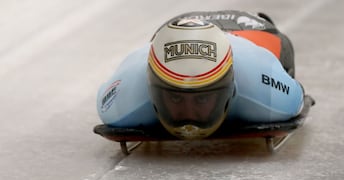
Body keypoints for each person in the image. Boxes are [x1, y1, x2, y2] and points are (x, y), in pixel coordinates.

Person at [96, 10, 305, 139]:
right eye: (176, 97)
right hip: (174, 31)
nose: (190, 115)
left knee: (281, 51)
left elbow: (296, 95)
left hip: (251, 32)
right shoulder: (123, 99)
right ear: (152, 90)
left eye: (202, 98)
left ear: (229, 89)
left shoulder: (269, 93)